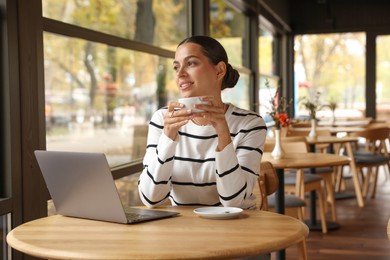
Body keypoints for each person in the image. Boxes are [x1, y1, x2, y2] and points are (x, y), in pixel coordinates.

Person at [138, 35, 267, 209]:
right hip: (183, 229)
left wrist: (223, 133)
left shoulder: (250, 124)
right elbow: (150, 199)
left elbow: (234, 202)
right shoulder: (163, 120)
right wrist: (167, 138)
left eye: (191, 63)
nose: (180, 73)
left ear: (219, 70)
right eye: (176, 67)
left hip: (235, 228)